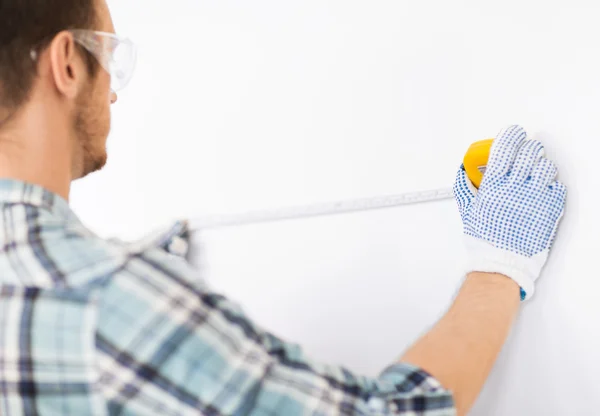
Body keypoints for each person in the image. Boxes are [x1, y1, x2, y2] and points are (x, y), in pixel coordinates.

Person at [0, 0, 566, 415]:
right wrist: (499, 269)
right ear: (68, 62)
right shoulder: (105, 298)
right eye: (109, 59)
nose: (114, 93)